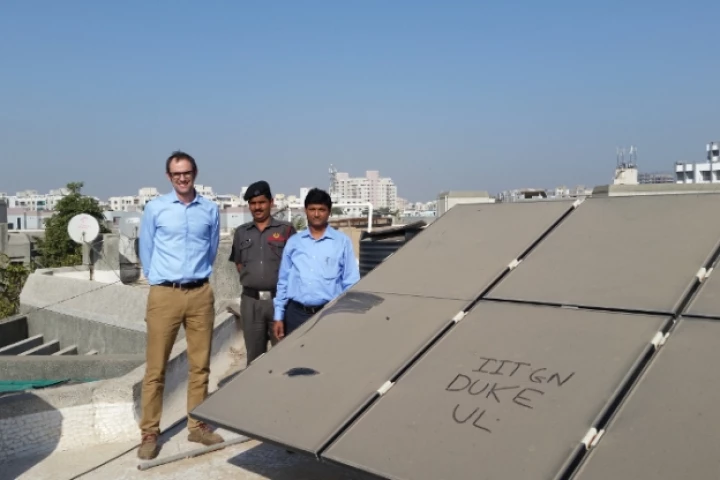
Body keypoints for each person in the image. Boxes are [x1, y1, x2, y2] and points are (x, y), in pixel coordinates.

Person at [137, 151, 223, 460]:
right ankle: (149, 432)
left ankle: (196, 425)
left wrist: (196, 279)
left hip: (200, 293)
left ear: (195, 173)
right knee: (156, 368)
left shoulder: (210, 210)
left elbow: (211, 249)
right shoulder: (156, 208)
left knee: (200, 366)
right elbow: (146, 249)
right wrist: (161, 279)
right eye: (176, 174)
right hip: (165, 294)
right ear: (168, 177)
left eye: (186, 173)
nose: (182, 178)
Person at [272, 188, 360, 340]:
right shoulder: (294, 243)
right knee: (296, 358)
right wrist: (279, 316)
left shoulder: (341, 242)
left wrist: (348, 315)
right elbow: (283, 281)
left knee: (327, 358)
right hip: (296, 315)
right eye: (312, 209)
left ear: (329, 212)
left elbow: (351, 281)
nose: (317, 214)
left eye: (321, 209)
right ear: (306, 210)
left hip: (330, 313)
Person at [229, 180, 296, 364]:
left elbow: (296, 266)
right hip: (251, 304)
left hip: (279, 302)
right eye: (253, 203)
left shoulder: (286, 230)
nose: (257, 207)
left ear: (271, 202)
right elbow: (239, 264)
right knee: (254, 359)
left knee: (283, 357)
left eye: (261, 202)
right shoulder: (241, 233)